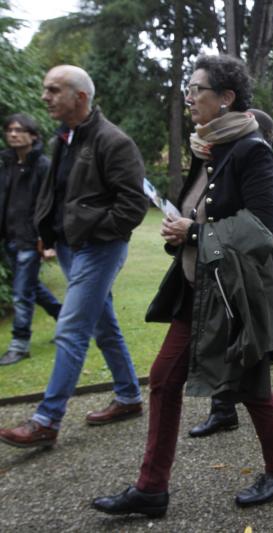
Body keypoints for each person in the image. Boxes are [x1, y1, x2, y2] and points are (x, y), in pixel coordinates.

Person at [92, 55, 273, 517]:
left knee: (250, 385)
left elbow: (261, 228)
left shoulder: (251, 150)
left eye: (197, 89)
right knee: (165, 381)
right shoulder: (210, 147)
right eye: (187, 88)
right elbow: (199, 209)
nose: (189, 96)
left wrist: (193, 233)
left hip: (232, 292)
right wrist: (180, 228)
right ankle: (151, 489)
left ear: (225, 98)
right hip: (199, 286)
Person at [0, 65, 149, 449]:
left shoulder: (113, 141)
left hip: (97, 249)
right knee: (104, 325)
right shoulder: (63, 137)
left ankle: (46, 420)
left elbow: (132, 206)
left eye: (54, 90)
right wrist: (45, 232)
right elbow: (57, 192)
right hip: (68, 247)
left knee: (70, 328)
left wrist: (93, 234)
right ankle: (130, 395)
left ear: (80, 96)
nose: (44, 96)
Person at [187, 109, 273, 436]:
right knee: (224, 330)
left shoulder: (259, 164)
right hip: (226, 256)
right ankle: (222, 407)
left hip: (258, 260)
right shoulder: (227, 160)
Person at [0, 113, 61, 366]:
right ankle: (66, 317)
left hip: (30, 239)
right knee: (31, 287)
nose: (13, 134)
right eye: (9, 130)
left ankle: (19, 344)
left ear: (33, 135)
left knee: (21, 294)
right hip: (9, 238)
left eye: (19, 130)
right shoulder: (5, 163)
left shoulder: (43, 165)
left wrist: (45, 240)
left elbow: (49, 205)